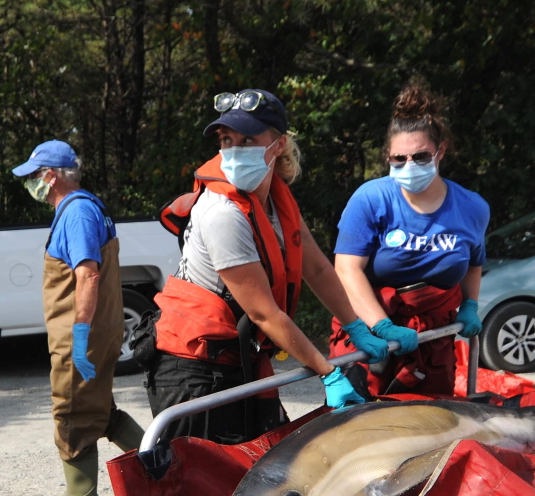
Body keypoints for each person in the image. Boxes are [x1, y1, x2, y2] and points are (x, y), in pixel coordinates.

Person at [140, 88, 392, 444]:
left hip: (236, 359)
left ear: (278, 144)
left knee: (270, 468)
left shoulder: (276, 198)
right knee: (202, 488)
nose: (234, 149)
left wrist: (357, 325)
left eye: (247, 139)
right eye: (227, 140)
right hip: (191, 368)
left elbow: (317, 268)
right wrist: (327, 373)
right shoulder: (221, 214)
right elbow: (263, 314)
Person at [12, 140, 146, 496]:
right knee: (100, 408)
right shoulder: (87, 206)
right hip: (99, 327)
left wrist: (81, 334)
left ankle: (81, 494)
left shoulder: (76, 213)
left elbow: (88, 275)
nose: (31, 184)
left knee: (72, 407)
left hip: (82, 332)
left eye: (34, 176)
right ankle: (163, 463)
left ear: (51, 177)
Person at [333, 81, 488, 397]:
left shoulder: (471, 207)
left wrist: (470, 305)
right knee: (359, 428)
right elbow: (346, 269)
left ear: (440, 151)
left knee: (428, 425)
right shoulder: (371, 200)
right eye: (398, 159)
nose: (408, 166)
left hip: (431, 340)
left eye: (420, 156)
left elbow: (474, 260)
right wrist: (381, 325)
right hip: (370, 332)